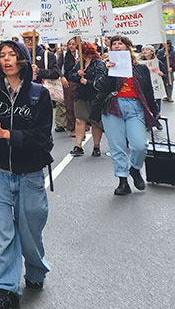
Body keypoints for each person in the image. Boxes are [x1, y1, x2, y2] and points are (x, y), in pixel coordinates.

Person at [0, 40, 53, 309]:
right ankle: (4, 290)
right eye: (1, 56)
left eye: (12, 55)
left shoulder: (38, 95)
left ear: (21, 59)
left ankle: (35, 268)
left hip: (30, 174)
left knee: (29, 233)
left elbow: (42, 137)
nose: (6, 59)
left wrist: (9, 135)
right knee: (2, 235)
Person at [93, 35, 159, 196]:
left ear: (129, 48)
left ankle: (134, 168)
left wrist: (154, 110)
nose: (116, 46)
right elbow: (99, 87)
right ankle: (122, 180)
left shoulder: (141, 68)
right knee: (117, 147)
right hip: (113, 108)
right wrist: (109, 71)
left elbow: (148, 90)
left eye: (120, 44)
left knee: (140, 145)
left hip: (135, 107)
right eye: (114, 44)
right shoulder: (105, 66)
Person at [66, 42, 106, 157]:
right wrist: (78, 75)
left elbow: (101, 79)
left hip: (95, 96)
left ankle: (96, 146)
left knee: (95, 122)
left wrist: (87, 82)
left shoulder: (98, 63)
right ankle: (78, 145)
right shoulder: (81, 63)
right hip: (81, 95)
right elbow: (71, 75)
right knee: (79, 120)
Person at [57, 38, 79, 136]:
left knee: (80, 106)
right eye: (69, 44)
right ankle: (72, 128)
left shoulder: (82, 54)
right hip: (69, 82)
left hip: (81, 82)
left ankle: (83, 126)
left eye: (73, 44)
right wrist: (62, 77)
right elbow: (57, 67)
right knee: (69, 106)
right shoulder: (65, 55)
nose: (71, 46)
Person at [140, 45, 166, 121]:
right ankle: (149, 121)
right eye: (143, 50)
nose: (144, 51)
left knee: (157, 105)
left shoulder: (158, 63)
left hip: (156, 87)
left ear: (152, 52)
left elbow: (166, 76)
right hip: (145, 87)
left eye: (147, 50)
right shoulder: (140, 63)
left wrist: (162, 74)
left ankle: (157, 120)